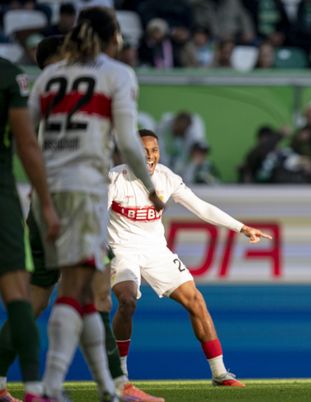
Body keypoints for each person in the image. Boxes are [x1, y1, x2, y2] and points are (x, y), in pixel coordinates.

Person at [0, 35, 164, 402]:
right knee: (96, 294)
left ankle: (4, 383)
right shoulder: (73, 97)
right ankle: (115, 386)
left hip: (42, 206)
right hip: (73, 205)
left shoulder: (37, 96)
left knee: (35, 300)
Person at [109, 129, 272, 387]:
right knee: (127, 301)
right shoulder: (115, 179)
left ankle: (220, 374)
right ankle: (119, 376)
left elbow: (201, 207)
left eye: (154, 150)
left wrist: (241, 227)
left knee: (195, 300)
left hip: (156, 251)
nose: (150, 157)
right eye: (143, 151)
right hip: (122, 249)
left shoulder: (166, 178)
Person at [0, 53, 60, 402]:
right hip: (3, 195)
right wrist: (46, 204)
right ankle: (34, 389)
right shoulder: (10, 75)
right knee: (19, 293)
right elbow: (26, 144)